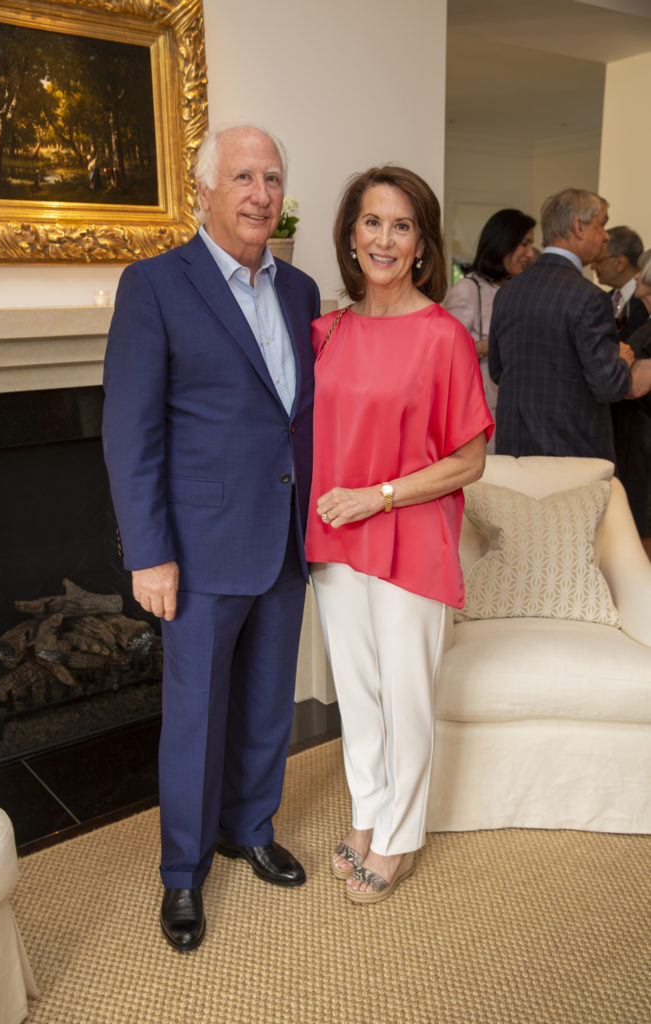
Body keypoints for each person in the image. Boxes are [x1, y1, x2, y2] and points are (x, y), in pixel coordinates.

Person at [102, 124, 320, 952]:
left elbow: (294, 418)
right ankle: (183, 874)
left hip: (284, 538)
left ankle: (249, 829)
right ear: (204, 191)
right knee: (195, 716)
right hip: (193, 549)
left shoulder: (299, 292)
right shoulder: (155, 284)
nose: (259, 193)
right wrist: (147, 553)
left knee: (267, 701)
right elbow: (131, 432)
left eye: (271, 176)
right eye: (241, 176)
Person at [305, 166, 493, 904]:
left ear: (421, 245)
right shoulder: (327, 329)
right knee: (357, 694)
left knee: (405, 693)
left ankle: (400, 836)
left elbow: (469, 458)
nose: (384, 238)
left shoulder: (442, 336)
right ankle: (365, 818)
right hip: (334, 537)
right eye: (371, 222)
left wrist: (376, 496)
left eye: (401, 225)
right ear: (351, 236)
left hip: (407, 534)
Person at [488, 188, 642, 461]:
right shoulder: (590, 298)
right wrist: (623, 360)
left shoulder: (508, 292)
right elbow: (609, 386)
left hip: (516, 452)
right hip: (574, 456)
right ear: (578, 227)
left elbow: (498, 371)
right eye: (602, 225)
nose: (605, 236)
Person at [444, 208, 535, 446]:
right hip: (484, 413)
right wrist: (491, 345)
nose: (530, 253)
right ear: (503, 243)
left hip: (520, 410)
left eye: (531, 245)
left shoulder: (519, 290)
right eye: (524, 244)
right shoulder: (468, 289)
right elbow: (447, 358)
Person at [614, 249, 651, 535]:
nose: (635, 276)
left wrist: (621, 362)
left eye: (642, 271)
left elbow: (635, 387)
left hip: (644, 446)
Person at [591, 226, 647, 341]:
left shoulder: (646, 302)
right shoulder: (602, 301)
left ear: (620, 263)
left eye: (598, 260)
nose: (592, 266)